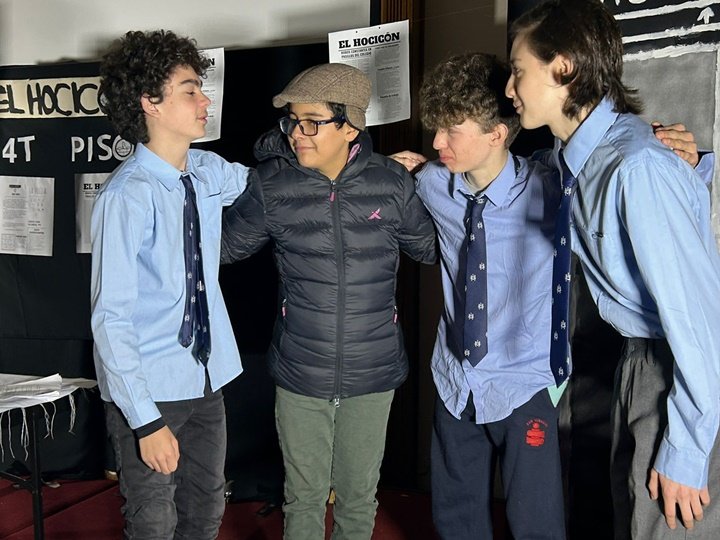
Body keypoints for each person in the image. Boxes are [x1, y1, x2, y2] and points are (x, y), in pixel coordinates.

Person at [390, 52, 704, 539]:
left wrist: (687, 158)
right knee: (454, 522)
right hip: (455, 382)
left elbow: (628, 180)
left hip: (525, 385)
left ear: (497, 134)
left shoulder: (553, 188)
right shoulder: (431, 183)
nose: (436, 142)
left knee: (536, 525)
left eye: (452, 130)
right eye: (436, 129)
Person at [506, 1, 720, 538]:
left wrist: (688, 449)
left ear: (563, 69)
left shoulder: (635, 167)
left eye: (518, 71)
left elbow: (698, 323)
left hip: (680, 372)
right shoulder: (579, 159)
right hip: (638, 363)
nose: (510, 89)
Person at [220, 63, 437, 540]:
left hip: (373, 368)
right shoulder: (273, 184)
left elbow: (430, 248)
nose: (298, 133)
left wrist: (436, 178)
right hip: (300, 369)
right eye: (293, 121)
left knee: (358, 500)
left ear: (351, 126)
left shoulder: (391, 182)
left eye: (312, 122)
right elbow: (222, 248)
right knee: (303, 500)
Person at [90, 30, 250, 538]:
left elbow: (272, 185)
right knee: (154, 524)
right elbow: (110, 317)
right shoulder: (126, 196)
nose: (205, 102)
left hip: (206, 379)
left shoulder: (206, 171)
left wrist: (373, 165)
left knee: (205, 516)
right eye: (190, 90)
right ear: (150, 103)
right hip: (151, 390)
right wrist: (145, 421)